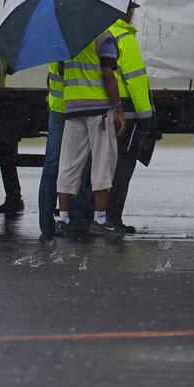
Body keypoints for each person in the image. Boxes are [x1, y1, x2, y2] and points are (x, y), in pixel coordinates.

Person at [54, 26, 124, 236]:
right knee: (102, 163)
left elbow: (60, 69)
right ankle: (100, 220)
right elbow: (107, 73)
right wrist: (118, 107)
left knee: (68, 163)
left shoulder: (67, 36)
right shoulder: (104, 37)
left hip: (73, 107)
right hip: (99, 110)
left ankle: (63, 219)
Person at [102, 3, 156, 233]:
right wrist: (147, 119)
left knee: (102, 167)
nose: (132, 13)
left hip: (103, 108)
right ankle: (113, 219)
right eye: (130, 9)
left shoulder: (101, 34)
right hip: (128, 113)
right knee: (123, 168)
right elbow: (135, 81)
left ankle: (96, 216)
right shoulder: (125, 37)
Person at [37, 62, 94, 237]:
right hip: (77, 105)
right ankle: (78, 220)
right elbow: (64, 70)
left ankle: (47, 222)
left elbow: (53, 75)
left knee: (52, 164)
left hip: (58, 107)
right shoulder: (79, 39)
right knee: (79, 163)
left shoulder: (56, 38)